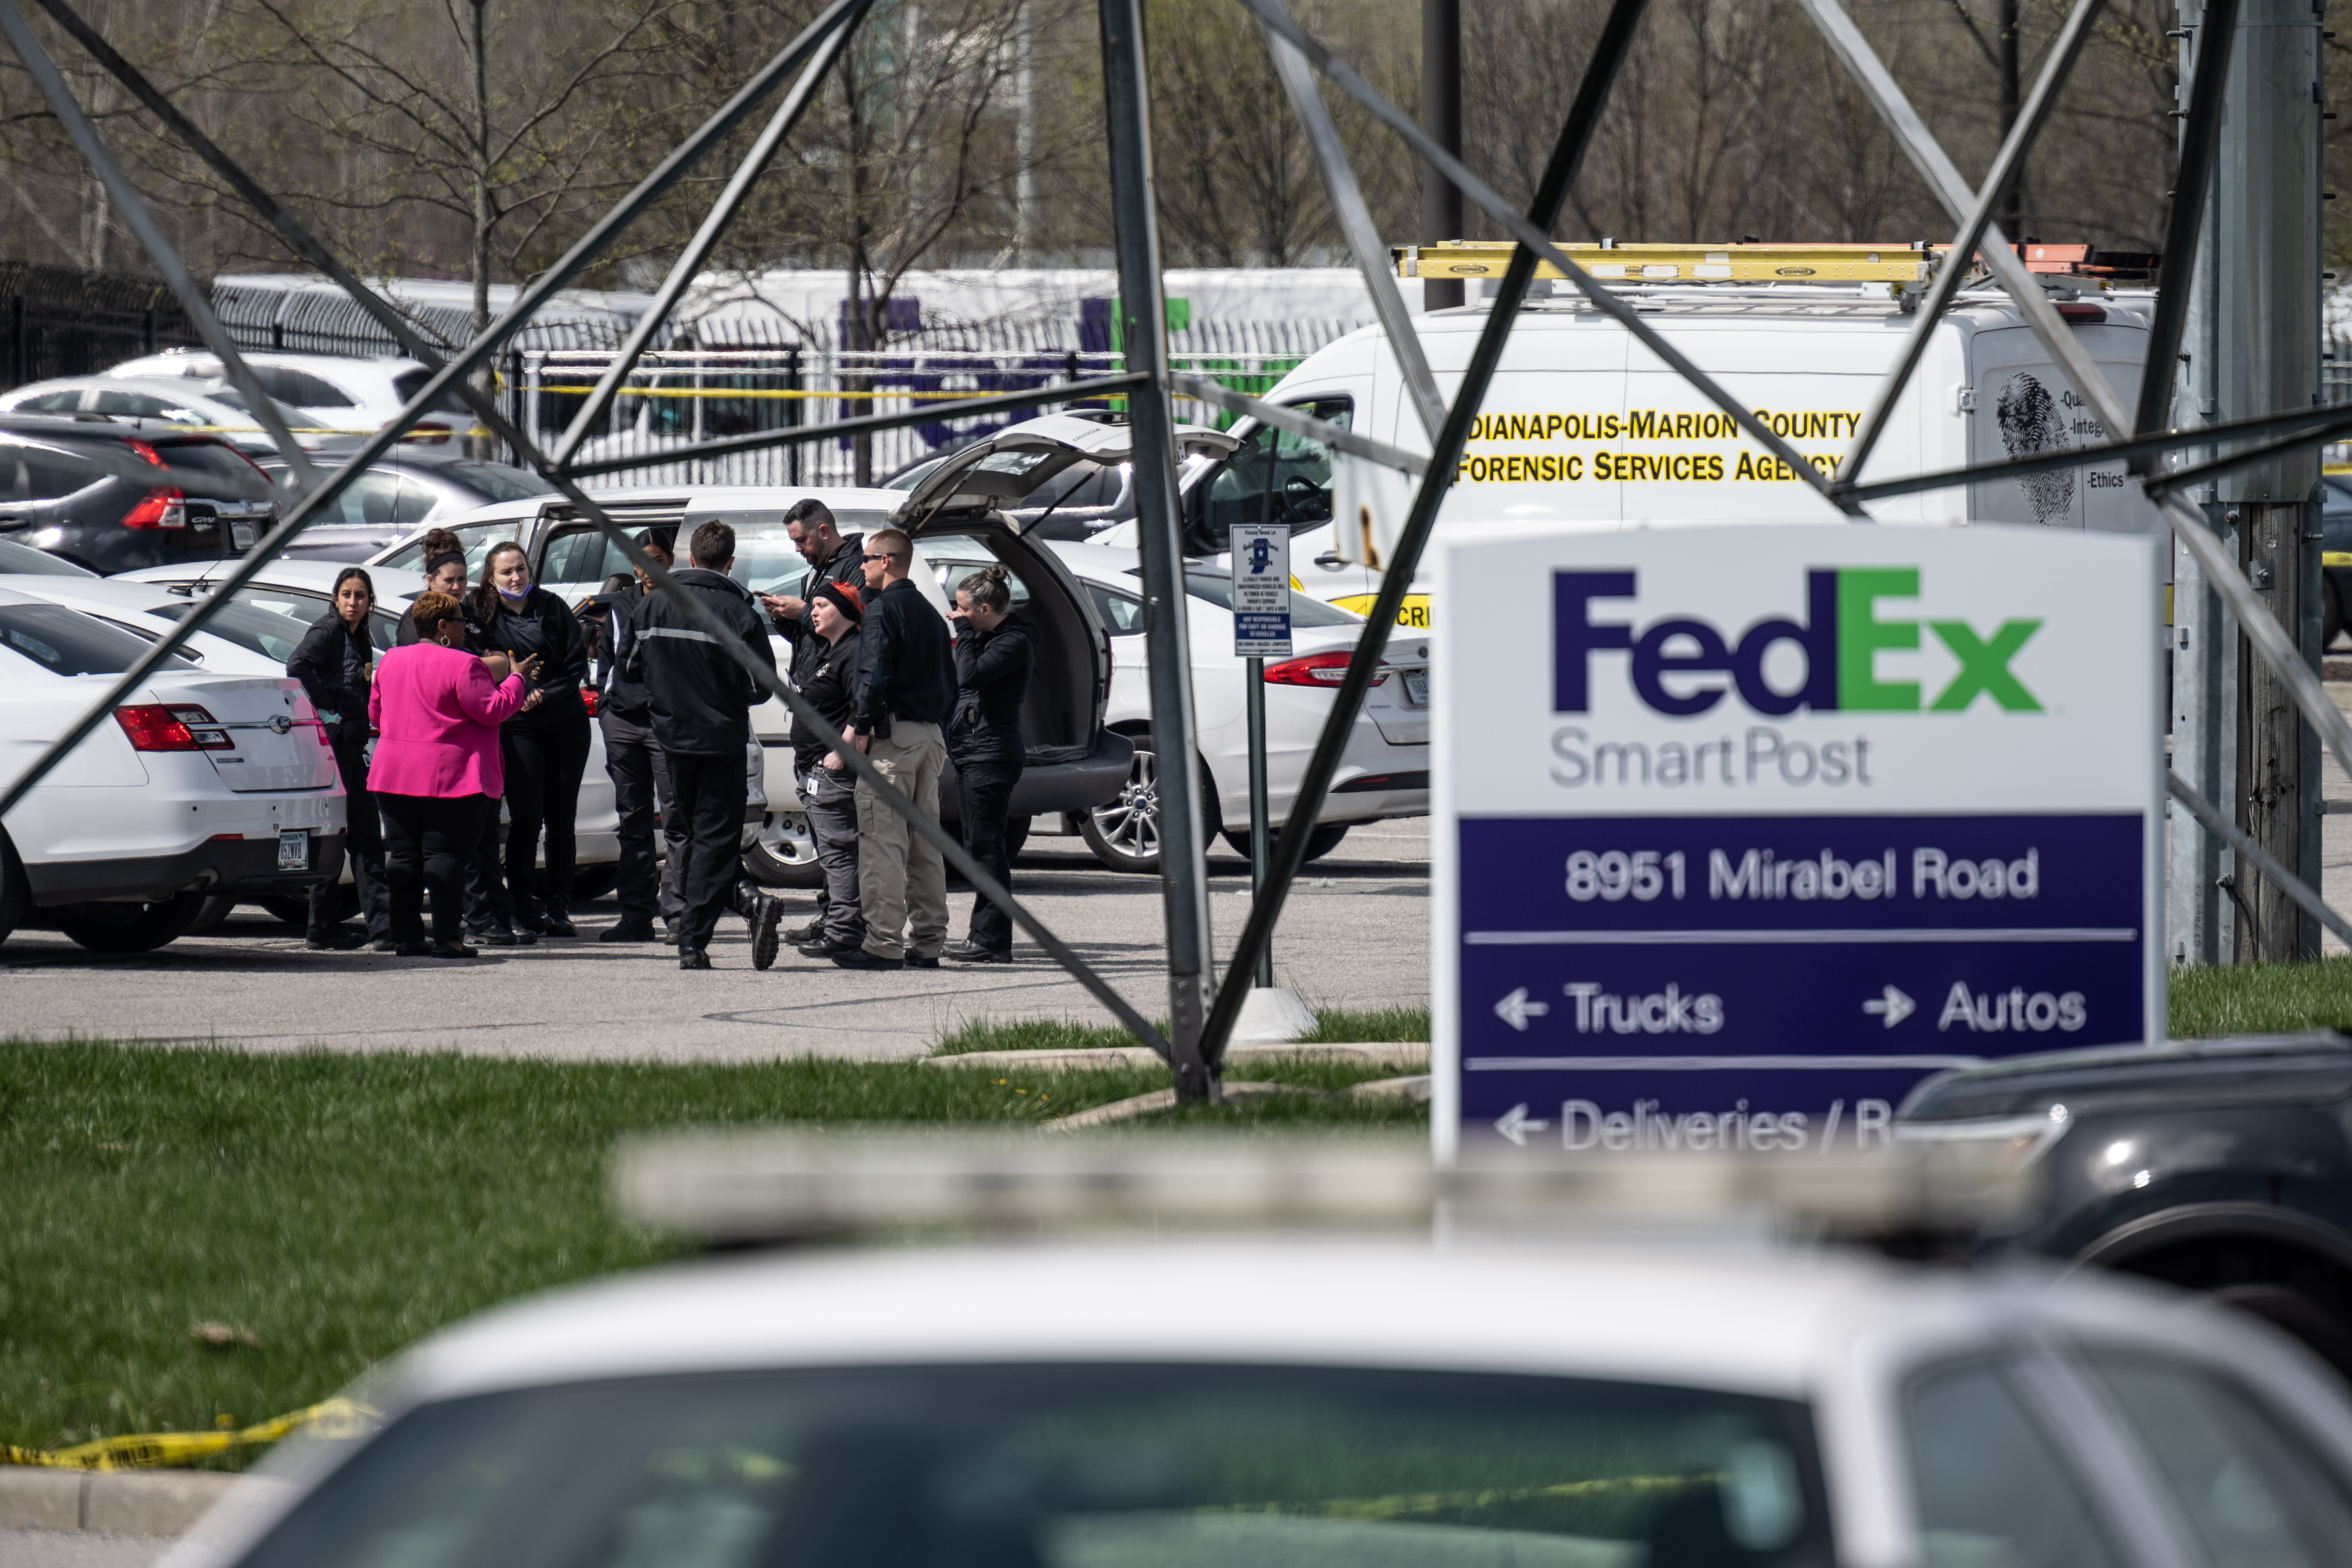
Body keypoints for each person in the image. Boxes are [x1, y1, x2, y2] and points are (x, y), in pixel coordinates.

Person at [630, 518, 775, 969]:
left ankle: (738, 906)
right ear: (730, 562)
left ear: (690, 559)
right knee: (714, 840)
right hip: (721, 741)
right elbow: (763, 686)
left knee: (691, 838)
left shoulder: (652, 608)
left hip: (672, 741)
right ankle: (697, 936)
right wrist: (728, 698)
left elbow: (632, 670)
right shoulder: (740, 614)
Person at [368, 591, 539, 958]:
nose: (466, 629)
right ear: (443, 627)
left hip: (394, 774)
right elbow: (491, 710)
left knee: (404, 858)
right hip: (450, 777)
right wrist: (517, 680)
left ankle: (408, 938)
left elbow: (376, 714)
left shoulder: (390, 661)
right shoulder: (464, 665)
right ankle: (447, 939)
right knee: (445, 857)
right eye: (461, 623)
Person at [839, 526, 955, 971]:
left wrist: (862, 727)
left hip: (895, 737)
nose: (862, 567)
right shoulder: (928, 610)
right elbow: (950, 678)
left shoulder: (882, 608)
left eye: (867, 559)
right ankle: (929, 942)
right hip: (930, 736)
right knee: (925, 844)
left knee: (883, 842)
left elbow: (872, 673)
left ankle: (883, 943)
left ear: (886, 561)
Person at [467, 541, 591, 938]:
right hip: (518, 727)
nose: (516, 577)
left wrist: (542, 694)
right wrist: (519, 690)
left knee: (562, 820)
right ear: (491, 577)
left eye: (520, 568)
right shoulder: (480, 614)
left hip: (566, 722)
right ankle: (522, 903)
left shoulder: (553, 607)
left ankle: (559, 905)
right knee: (526, 818)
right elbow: (474, 668)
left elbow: (575, 665)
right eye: (506, 572)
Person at [759, 497, 865, 947]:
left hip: (833, 734)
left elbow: (854, 626)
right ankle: (833, 918)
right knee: (829, 843)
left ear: (824, 531)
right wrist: (788, 620)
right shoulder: (818, 570)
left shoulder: (852, 567)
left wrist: (803, 612)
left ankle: (844, 927)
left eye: (801, 539)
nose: (798, 549)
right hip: (814, 723)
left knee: (840, 845)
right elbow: (816, 638)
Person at [287, 566, 392, 952]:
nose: (353, 602)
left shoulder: (360, 635)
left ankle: (374, 928)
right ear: (335, 599)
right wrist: (329, 708)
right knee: (343, 836)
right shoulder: (328, 631)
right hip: (332, 748)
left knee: (361, 836)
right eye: (346, 595)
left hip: (351, 745)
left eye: (360, 596)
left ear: (369, 602)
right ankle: (328, 927)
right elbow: (298, 665)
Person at [943, 563, 1035, 964]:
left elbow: (970, 676)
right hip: (973, 751)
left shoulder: (1013, 642)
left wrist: (963, 633)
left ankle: (992, 941)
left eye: (964, 610)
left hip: (991, 753)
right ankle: (985, 937)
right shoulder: (990, 636)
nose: (959, 615)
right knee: (978, 846)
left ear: (983, 608)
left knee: (988, 849)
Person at [597, 530, 684, 944]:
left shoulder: (683, 601)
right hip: (623, 722)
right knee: (632, 820)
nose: (647, 568)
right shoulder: (621, 605)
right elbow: (607, 664)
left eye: (655, 559)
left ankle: (679, 914)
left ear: (669, 561)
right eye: (639, 560)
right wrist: (606, 708)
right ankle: (636, 915)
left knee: (675, 819)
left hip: (665, 724)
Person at [395, 529, 470, 645]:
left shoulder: (471, 612)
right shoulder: (416, 620)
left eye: (462, 579)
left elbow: (503, 657)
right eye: (449, 580)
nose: (457, 587)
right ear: (431, 581)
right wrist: (479, 661)